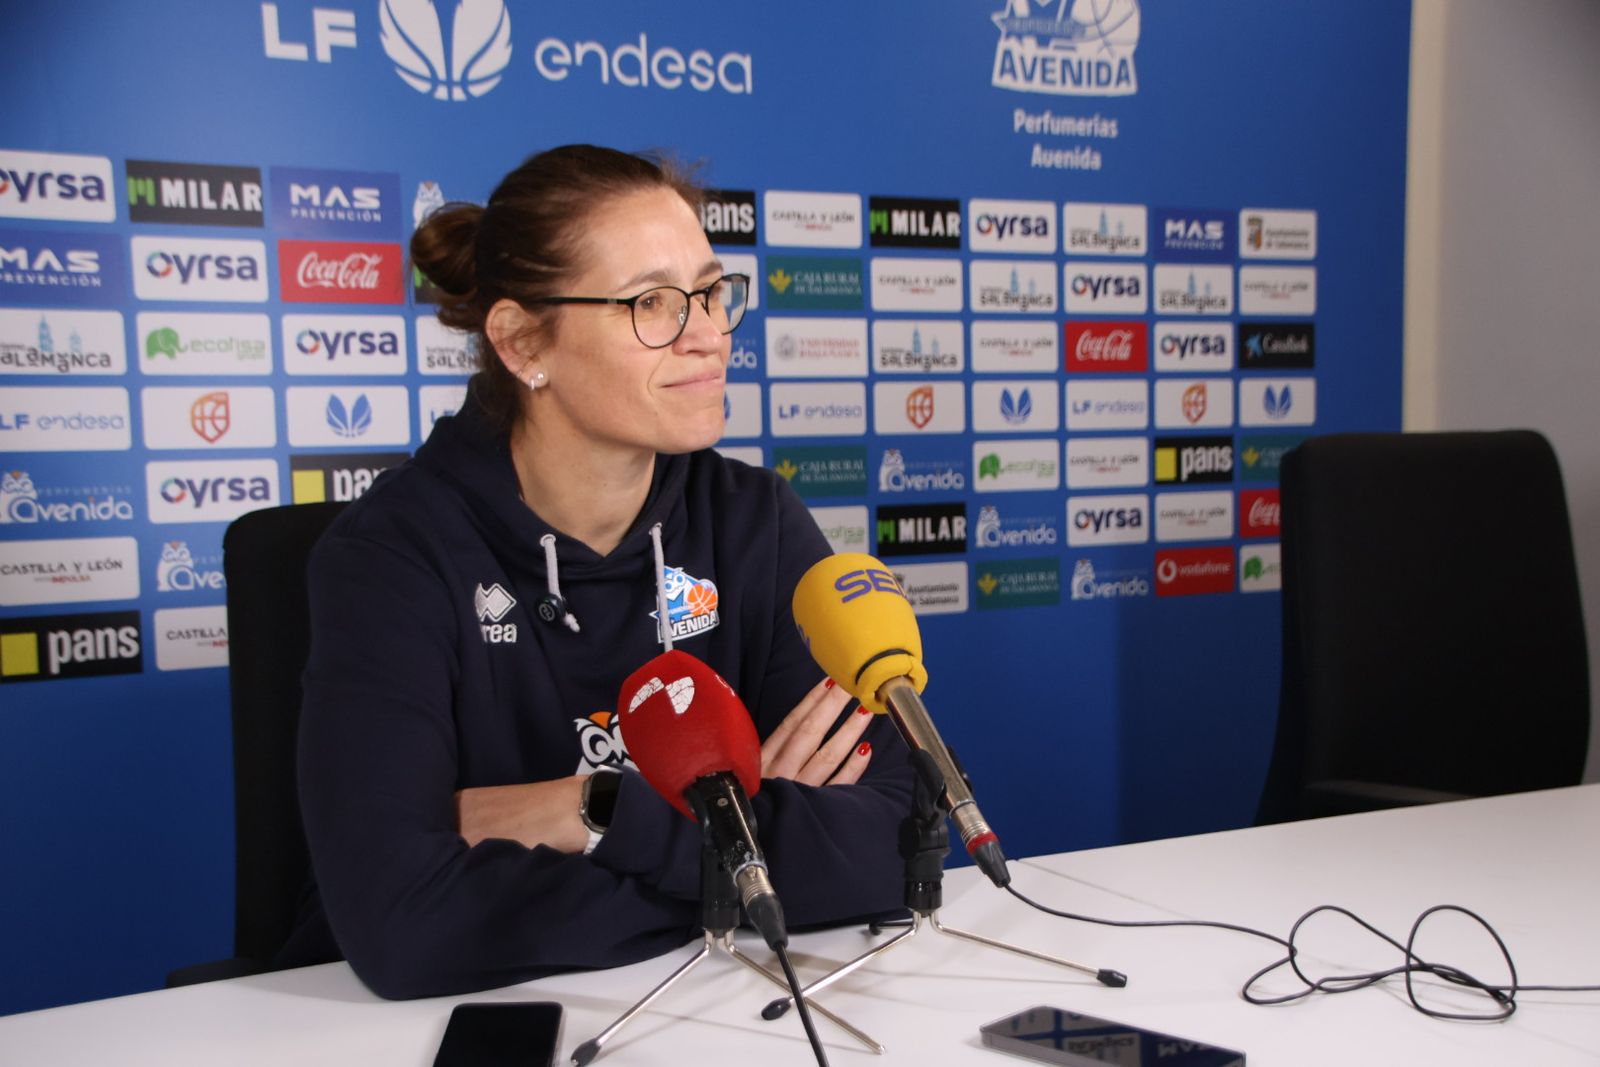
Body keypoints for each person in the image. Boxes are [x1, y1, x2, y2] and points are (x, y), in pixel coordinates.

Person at [278, 144, 914, 999]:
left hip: (711, 1014)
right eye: (652, 303)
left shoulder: (754, 518)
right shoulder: (390, 557)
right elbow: (405, 927)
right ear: (520, 341)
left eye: (711, 291)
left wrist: (595, 808)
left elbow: (908, 841)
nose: (708, 334)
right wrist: (748, 848)